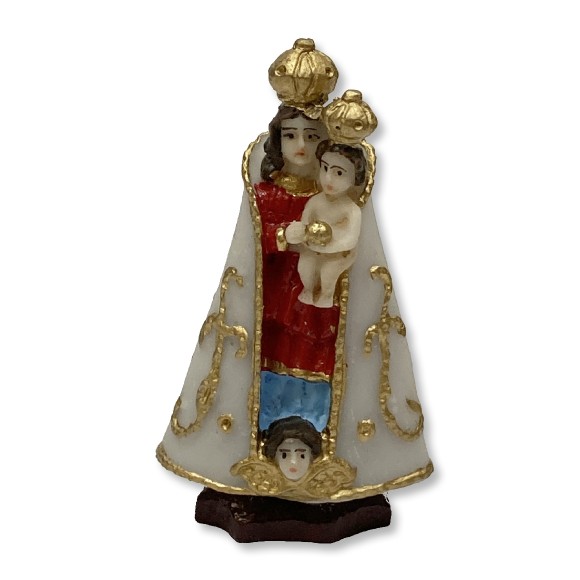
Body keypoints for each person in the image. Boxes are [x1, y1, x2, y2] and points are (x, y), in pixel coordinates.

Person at [157, 39, 432, 518]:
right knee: (272, 368)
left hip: (323, 302)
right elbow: (253, 245)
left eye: (310, 136)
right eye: (290, 136)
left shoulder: (342, 196)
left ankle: (315, 446)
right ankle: (272, 448)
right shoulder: (266, 193)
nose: (300, 147)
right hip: (274, 302)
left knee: (320, 370)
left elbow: (354, 248)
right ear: (276, 140)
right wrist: (289, 235)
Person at [287, 141, 366, 308]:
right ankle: (309, 290)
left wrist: (329, 247)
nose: (328, 178)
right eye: (324, 168)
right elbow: (305, 223)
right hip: (313, 247)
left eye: (339, 173)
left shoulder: (351, 210)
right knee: (305, 267)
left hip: (339, 253)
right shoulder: (315, 202)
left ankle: (326, 295)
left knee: (327, 272)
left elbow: (350, 240)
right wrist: (298, 233)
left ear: (355, 178)